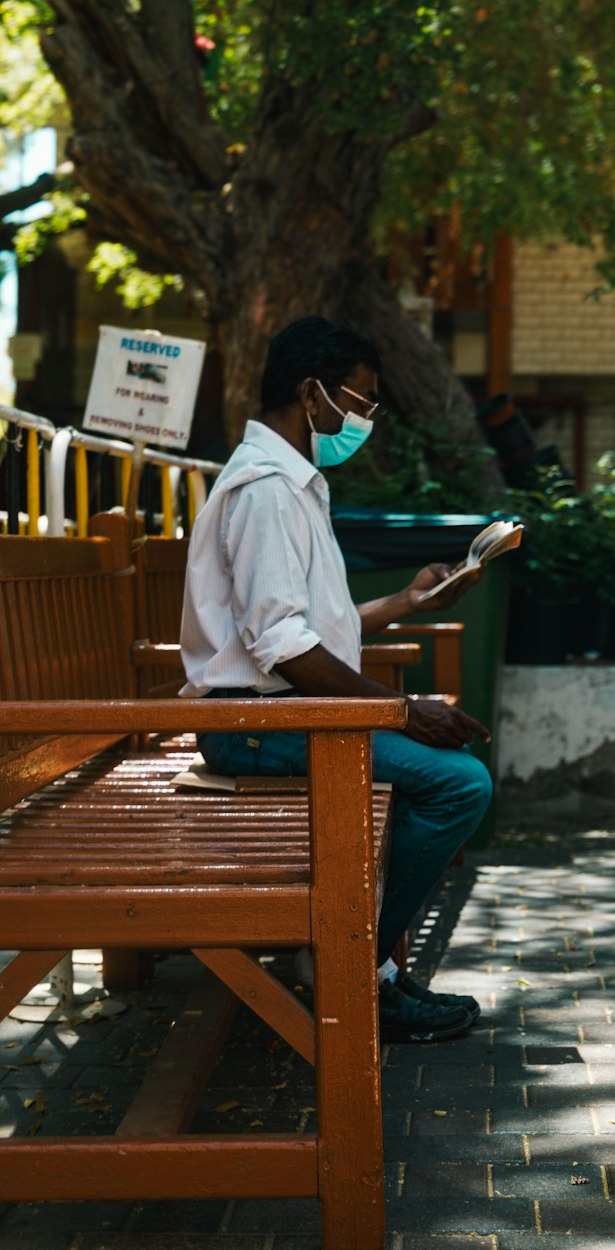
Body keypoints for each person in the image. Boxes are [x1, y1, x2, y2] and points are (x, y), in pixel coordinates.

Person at [179, 316, 493, 1043]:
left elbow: (304, 626)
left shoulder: (291, 484)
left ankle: (362, 963)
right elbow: (282, 644)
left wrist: (408, 603)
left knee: (453, 775)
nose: (364, 420)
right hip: (257, 730)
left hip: (283, 717)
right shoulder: (266, 491)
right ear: (310, 392)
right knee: (459, 784)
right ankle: (358, 970)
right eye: (360, 401)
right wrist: (402, 711)